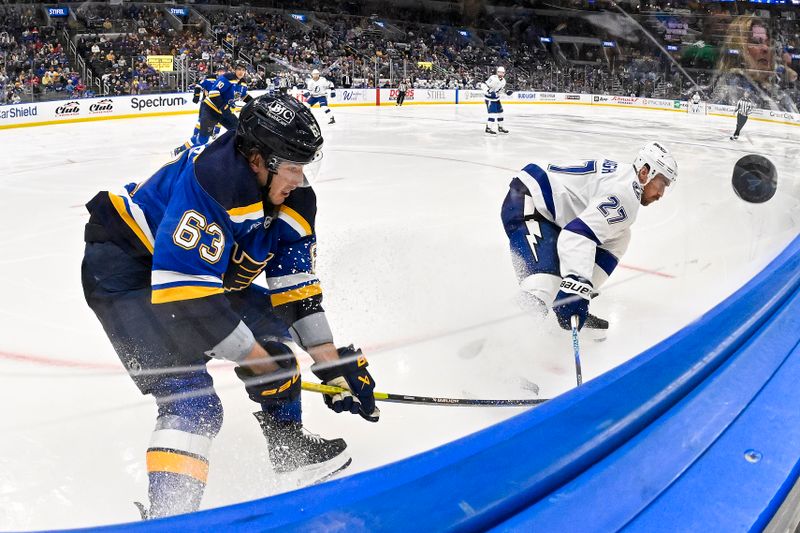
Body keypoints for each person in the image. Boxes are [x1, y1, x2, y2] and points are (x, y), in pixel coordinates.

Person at [82, 94, 380, 519]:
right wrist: (262, 364)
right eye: (292, 166)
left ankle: (289, 450)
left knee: (277, 337)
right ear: (257, 159)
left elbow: (295, 292)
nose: (300, 178)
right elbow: (189, 299)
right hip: (126, 271)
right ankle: (169, 519)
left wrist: (330, 364)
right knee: (191, 401)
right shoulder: (214, 182)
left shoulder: (294, 198)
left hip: (194, 280)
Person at [500, 142, 678, 336]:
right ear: (645, 172)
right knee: (542, 287)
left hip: (551, 212)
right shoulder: (626, 196)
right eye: (661, 184)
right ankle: (497, 339)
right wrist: (576, 284)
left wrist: (579, 290)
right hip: (529, 199)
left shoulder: (626, 178)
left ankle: (572, 299)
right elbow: (576, 235)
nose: (660, 194)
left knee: (620, 235)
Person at [710, 15, 798, 113]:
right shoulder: (731, 89)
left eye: (768, 43)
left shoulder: (774, 90)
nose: (766, 48)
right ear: (738, 47)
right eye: (756, 42)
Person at [172, 61, 250, 157]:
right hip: (210, 110)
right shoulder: (227, 78)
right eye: (239, 69)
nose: (241, 72)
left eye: (243, 70)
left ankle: (231, 154)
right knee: (203, 139)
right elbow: (213, 93)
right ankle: (182, 151)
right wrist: (224, 108)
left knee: (238, 129)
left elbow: (244, 96)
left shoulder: (243, 83)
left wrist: (255, 101)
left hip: (223, 111)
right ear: (234, 69)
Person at [481, 66, 512, 135]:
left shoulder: (503, 81)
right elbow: (483, 85)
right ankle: (488, 128)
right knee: (492, 114)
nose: (501, 74)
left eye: (502, 72)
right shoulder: (493, 78)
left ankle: (500, 127)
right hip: (489, 99)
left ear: (504, 73)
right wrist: (488, 91)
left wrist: (506, 92)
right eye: (499, 72)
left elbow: (499, 90)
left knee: (501, 113)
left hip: (496, 99)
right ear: (497, 72)